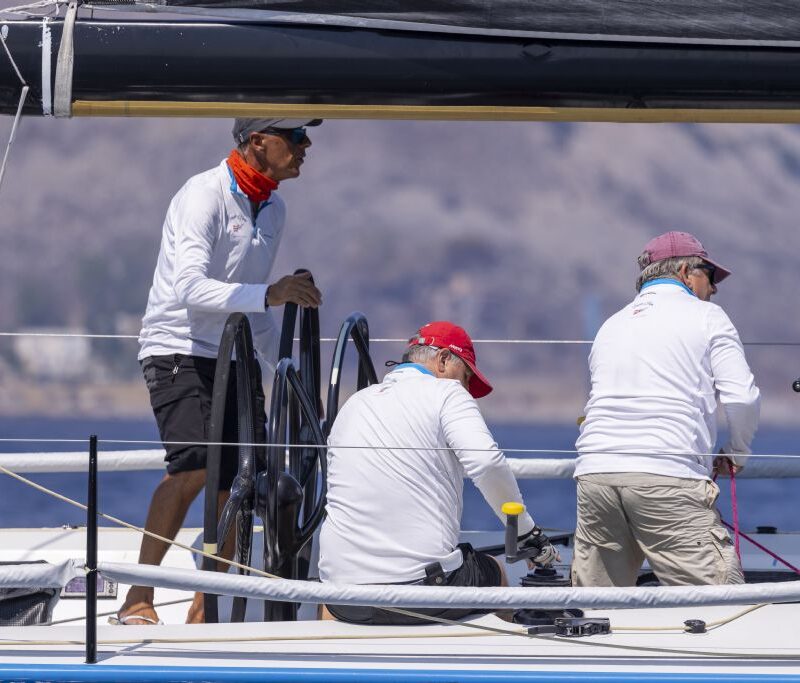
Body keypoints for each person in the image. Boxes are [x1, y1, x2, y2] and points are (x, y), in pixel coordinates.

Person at [116, 118, 323, 625]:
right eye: (295, 137)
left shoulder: (274, 208)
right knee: (192, 470)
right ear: (258, 142)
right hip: (177, 347)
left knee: (236, 482)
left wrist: (291, 376)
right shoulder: (203, 195)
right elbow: (189, 288)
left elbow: (254, 307)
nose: (306, 145)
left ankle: (205, 604)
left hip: (236, 352)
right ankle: (138, 597)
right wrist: (271, 293)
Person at [318, 321, 558, 625]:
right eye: (467, 377)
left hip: (343, 600)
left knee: (333, 586)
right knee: (493, 570)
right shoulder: (447, 394)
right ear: (443, 360)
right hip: (421, 593)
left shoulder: (354, 402)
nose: (467, 388)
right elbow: (486, 465)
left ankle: (328, 652)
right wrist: (525, 533)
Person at [573, 231, 760, 587]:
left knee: (598, 609)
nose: (715, 288)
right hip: (667, 475)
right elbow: (742, 396)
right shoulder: (708, 316)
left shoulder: (611, 324)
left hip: (595, 474)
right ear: (687, 272)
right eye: (710, 275)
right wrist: (737, 451)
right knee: (718, 606)